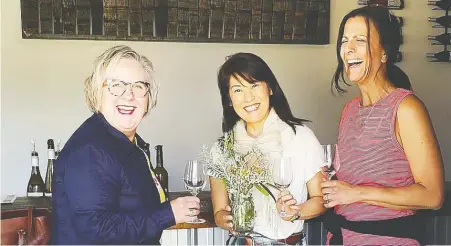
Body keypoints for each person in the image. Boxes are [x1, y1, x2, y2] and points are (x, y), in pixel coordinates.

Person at [321, 5, 445, 246]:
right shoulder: (348, 111)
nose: (349, 48)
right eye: (345, 40)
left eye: (361, 40)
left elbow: (433, 195)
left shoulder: (406, 108)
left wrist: (357, 193)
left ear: (385, 53)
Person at [51, 45, 200, 244]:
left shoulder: (128, 144)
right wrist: (168, 213)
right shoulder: (90, 151)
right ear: (97, 92)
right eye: (116, 85)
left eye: (139, 86)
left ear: (148, 98)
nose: (128, 95)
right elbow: (97, 230)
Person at [209, 52, 327, 245]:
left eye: (254, 85)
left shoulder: (301, 136)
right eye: (238, 90)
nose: (248, 97)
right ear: (229, 99)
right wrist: (225, 219)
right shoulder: (221, 149)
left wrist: (296, 212)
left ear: (269, 88)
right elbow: (219, 212)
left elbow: (321, 200)